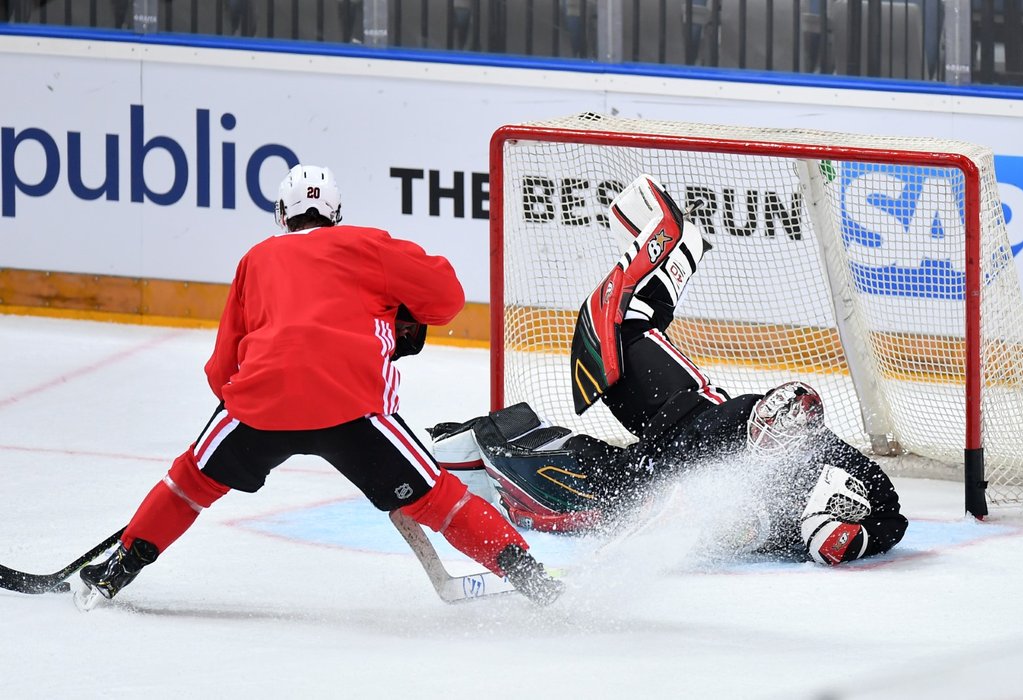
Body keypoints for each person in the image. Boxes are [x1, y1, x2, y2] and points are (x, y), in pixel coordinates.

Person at [76, 164, 562, 609]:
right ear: (336, 214)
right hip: (353, 406)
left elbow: (221, 368)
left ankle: (117, 571)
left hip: (260, 404)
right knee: (437, 499)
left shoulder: (257, 258)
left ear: (282, 214)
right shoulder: (368, 244)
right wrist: (398, 312)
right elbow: (447, 299)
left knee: (189, 482)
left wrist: (246, 414)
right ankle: (532, 578)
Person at [432, 174, 908, 566]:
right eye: (759, 425)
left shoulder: (829, 462)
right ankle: (668, 245)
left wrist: (854, 537)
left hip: (660, 445)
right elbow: (666, 467)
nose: (757, 439)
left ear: (803, 446)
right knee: (608, 336)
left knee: (562, 483)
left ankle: (476, 449)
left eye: (770, 438)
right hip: (683, 414)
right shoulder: (745, 432)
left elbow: (891, 516)